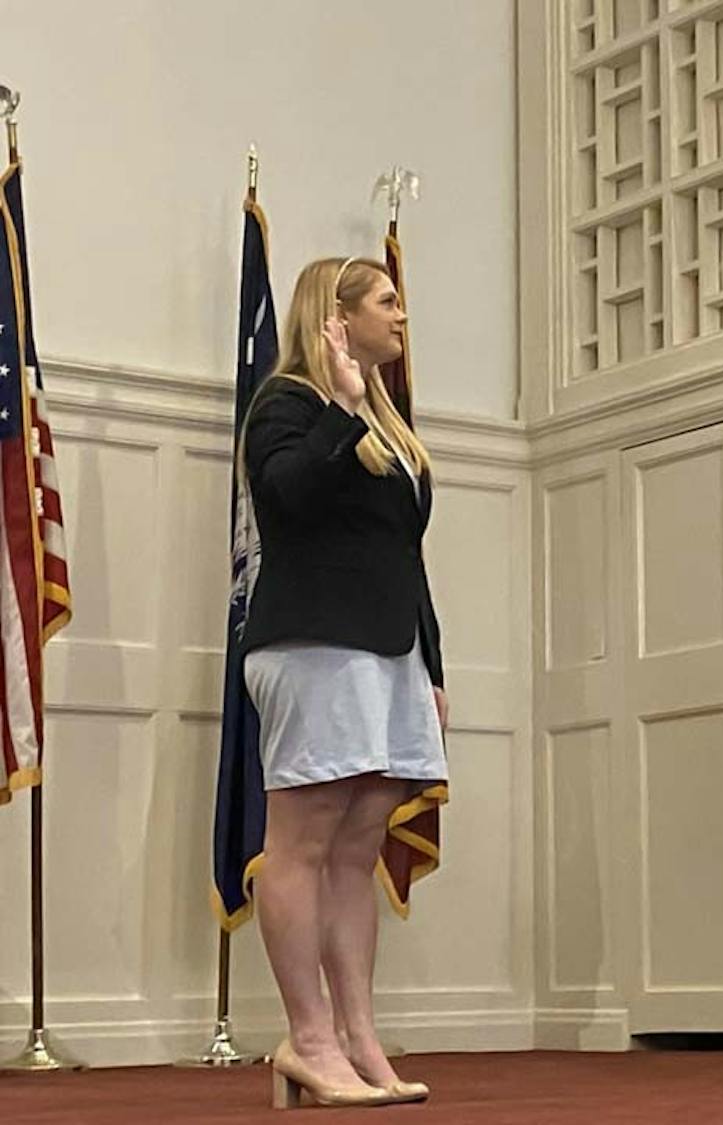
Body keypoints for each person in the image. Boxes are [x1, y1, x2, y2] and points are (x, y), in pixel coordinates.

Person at [240, 256, 447, 1109]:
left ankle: (359, 1036)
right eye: (388, 302)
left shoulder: (389, 423)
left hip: (388, 649)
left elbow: (406, 553)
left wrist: (429, 663)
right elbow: (284, 502)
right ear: (338, 316)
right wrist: (341, 410)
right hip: (313, 642)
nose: (402, 315)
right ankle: (307, 1035)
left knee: (357, 848)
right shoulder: (287, 404)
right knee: (304, 841)